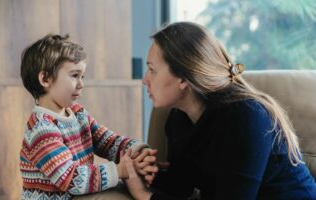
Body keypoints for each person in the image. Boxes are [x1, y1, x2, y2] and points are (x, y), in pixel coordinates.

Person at [123, 22, 316, 200]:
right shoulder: (178, 118)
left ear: (182, 78)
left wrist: (143, 196)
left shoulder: (246, 116)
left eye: (152, 70)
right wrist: (147, 172)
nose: (144, 80)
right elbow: (180, 187)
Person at [19, 34, 158, 200]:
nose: (81, 84)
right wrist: (120, 170)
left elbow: (109, 142)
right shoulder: (41, 129)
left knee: (129, 190)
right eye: (74, 75)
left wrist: (141, 153)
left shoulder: (78, 114)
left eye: (82, 76)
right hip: (65, 195)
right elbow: (71, 179)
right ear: (45, 78)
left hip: (77, 195)